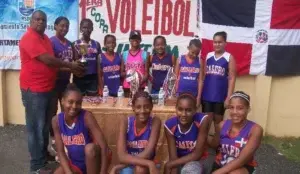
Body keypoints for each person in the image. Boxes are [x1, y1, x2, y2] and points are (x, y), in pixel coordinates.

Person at [19, 10, 84, 173]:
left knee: (45, 126)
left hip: (48, 88)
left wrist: (73, 69)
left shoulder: (45, 39)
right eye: (37, 19)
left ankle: (43, 155)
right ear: (31, 21)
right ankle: (36, 167)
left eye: (43, 20)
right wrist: (70, 66)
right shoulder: (28, 38)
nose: (40, 22)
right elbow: (47, 59)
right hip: (34, 90)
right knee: (35, 128)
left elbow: (53, 64)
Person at [52, 84, 111, 174]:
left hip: (94, 162)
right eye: (70, 102)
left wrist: (103, 172)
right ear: (63, 101)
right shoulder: (56, 121)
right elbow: (60, 152)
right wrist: (69, 172)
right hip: (75, 164)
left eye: (78, 103)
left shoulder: (87, 117)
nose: (74, 106)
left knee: (89, 148)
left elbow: (104, 147)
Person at [209, 91, 263, 174]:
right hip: (221, 163)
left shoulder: (255, 129)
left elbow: (241, 160)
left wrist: (217, 173)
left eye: (240, 108)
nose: (235, 112)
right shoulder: (222, 125)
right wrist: (201, 134)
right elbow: (214, 144)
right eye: (231, 107)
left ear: (248, 109)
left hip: (242, 166)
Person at [110, 91, 161, 174]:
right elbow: (121, 156)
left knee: (140, 169)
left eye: (146, 107)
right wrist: (149, 164)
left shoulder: (155, 121)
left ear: (151, 107)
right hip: (137, 163)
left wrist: (120, 165)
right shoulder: (126, 121)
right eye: (138, 107)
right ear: (133, 107)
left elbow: (148, 154)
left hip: (142, 163)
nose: (142, 111)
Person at [49, 16, 77, 155]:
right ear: (55, 26)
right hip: (54, 82)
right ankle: (54, 140)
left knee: (67, 109)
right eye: (61, 26)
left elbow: (74, 61)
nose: (64, 28)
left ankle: (67, 137)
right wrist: (71, 67)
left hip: (66, 82)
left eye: (66, 26)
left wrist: (78, 67)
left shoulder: (70, 44)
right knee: (53, 112)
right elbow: (52, 64)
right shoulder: (51, 42)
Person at [164, 93, 210, 174]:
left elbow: (197, 154)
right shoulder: (170, 125)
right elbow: (173, 156)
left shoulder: (202, 120)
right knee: (172, 170)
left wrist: (169, 165)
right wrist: (172, 166)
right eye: (180, 109)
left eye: (188, 110)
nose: (184, 114)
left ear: (195, 110)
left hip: (198, 160)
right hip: (178, 159)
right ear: (176, 109)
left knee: (189, 171)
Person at [201, 31, 236, 132]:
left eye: (220, 42)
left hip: (220, 96)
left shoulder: (229, 57)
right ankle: (205, 144)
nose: (217, 44)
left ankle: (218, 145)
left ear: (225, 43)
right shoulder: (208, 56)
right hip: (207, 95)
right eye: (215, 42)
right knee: (206, 121)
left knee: (218, 123)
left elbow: (232, 78)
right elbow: (204, 76)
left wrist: (229, 97)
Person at [73, 18, 102, 96]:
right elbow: (75, 61)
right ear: (81, 28)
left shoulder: (96, 44)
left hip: (93, 78)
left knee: (93, 102)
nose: (86, 30)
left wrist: (99, 81)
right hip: (79, 77)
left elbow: (98, 63)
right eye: (84, 27)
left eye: (89, 27)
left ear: (92, 29)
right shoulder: (75, 44)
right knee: (79, 101)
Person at [175, 37, 204, 107]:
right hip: (180, 92)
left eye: (197, 54)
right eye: (192, 52)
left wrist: (199, 97)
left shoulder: (200, 62)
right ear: (188, 48)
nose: (194, 55)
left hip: (194, 93)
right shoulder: (180, 59)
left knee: (192, 113)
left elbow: (200, 80)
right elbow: (175, 77)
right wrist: (175, 92)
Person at [122, 30, 149, 97]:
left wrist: (138, 81)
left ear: (140, 40)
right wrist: (131, 76)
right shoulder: (124, 54)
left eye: (137, 38)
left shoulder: (145, 54)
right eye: (133, 38)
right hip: (127, 87)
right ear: (130, 40)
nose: (135, 40)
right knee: (127, 105)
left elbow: (146, 73)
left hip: (141, 86)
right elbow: (122, 72)